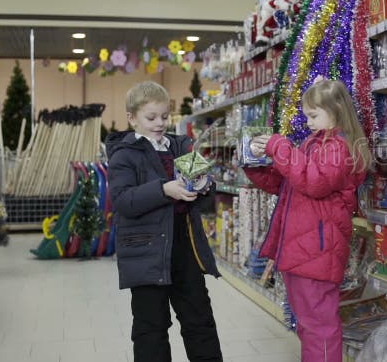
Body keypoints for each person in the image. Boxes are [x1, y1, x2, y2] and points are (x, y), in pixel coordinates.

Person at [245, 80, 372, 362]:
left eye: (313, 115)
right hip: (301, 249)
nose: (308, 121)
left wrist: (280, 147)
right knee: (308, 323)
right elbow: (286, 182)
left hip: (317, 250)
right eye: (306, 115)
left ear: (337, 110)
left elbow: (315, 182)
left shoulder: (339, 147)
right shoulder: (312, 144)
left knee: (319, 326)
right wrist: (254, 162)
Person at [106, 81, 223, 362]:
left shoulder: (181, 146)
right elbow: (123, 201)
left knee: (200, 321)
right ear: (132, 118)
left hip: (185, 247)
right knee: (151, 328)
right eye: (151, 118)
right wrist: (163, 189)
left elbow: (206, 199)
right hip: (146, 252)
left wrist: (205, 185)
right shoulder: (124, 155)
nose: (159, 123)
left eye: (164, 116)